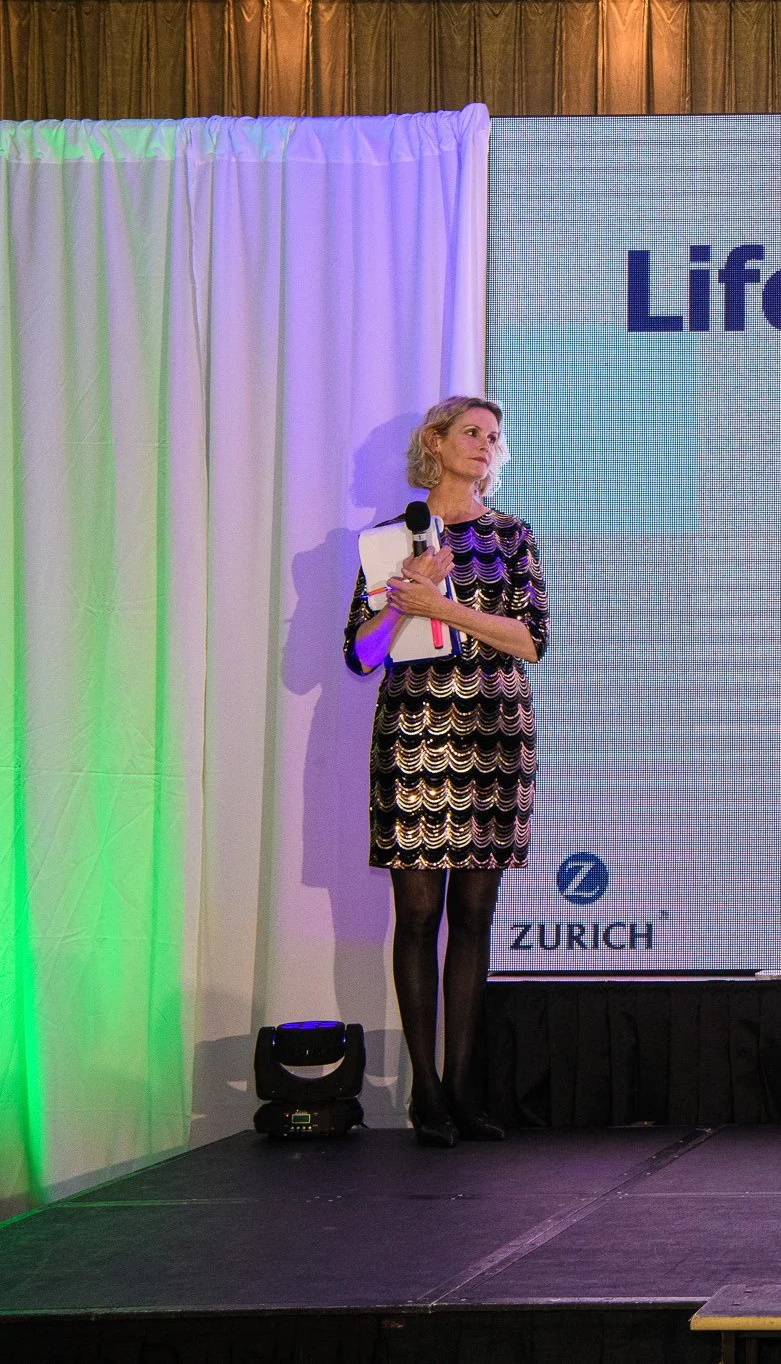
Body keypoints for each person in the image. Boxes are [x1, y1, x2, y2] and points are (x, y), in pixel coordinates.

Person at [345, 396, 549, 1146]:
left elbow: (530, 641)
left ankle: (463, 1090)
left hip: (493, 739)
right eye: (472, 432)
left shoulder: (512, 537)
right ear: (436, 442)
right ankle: (425, 1095)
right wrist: (404, 600)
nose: (486, 445)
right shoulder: (388, 540)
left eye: (495, 436)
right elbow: (360, 654)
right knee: (419, 915)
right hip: (413, 738)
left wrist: (444, 603)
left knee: (473, 917)